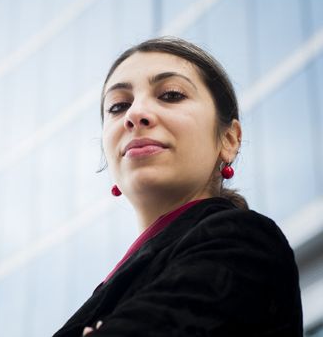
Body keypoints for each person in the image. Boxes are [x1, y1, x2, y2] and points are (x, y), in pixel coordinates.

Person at [53, 37, 303, 337]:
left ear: (229, 140)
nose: (134, 115)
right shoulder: (111, 285)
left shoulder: (243, 240)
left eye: (171, 95)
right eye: (118, 106)